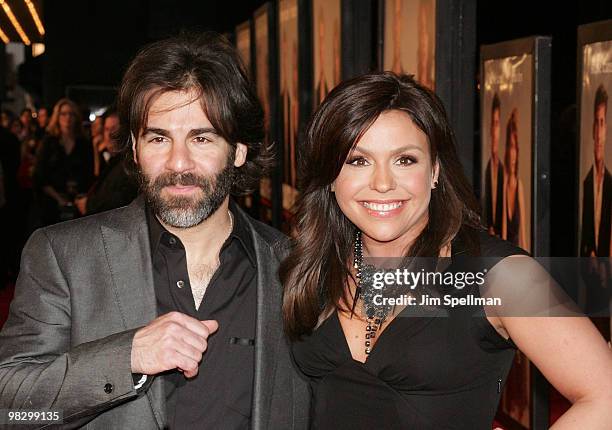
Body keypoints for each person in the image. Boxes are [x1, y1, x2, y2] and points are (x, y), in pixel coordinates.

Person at [0, 32, 309, 429]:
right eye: (159, 138)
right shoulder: (64, 256)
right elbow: (11, 410)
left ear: (239, 150)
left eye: (201, 137)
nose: (178, 163)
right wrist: (125, 356)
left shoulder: (291, 267)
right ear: (133, 147)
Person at [281, 72, 612, 428]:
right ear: (331, 177)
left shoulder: (500, 276)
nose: (382, 183)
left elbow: (604, 397)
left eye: (404, 160)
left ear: (435, 169)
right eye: (358, 160)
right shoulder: (313, 264)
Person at [33, 98, 94, 225]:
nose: (67, 118)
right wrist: (58, 197)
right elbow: (39, 174)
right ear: (57, 117)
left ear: (76, 117)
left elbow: (89, 174)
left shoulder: (84, 144)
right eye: (63, 114)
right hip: (51, 202)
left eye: (71, 114)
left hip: (77, 203)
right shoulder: (49, 142)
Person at [75, 108, 139, 215]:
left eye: (114, 129)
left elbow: (120, 200)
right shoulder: (114, 161)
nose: (109, 134)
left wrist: (88, 205)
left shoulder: (130, 164)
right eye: (106, 129)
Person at [581, 84, 611, 257]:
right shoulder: (587, 183)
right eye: (596, 123)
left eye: (602, 123)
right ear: (592, 129)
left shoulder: (609, 183)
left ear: (605, 128)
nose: (599, 133)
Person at [501, 108, 528, 251]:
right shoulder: (504, 186)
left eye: (514, 148)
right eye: (509, 147)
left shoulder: (520, 187)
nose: (512, 154)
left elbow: (523, 231)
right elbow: (504, 232)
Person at [484, 92, 503, 237]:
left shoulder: (504, 172)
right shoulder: (487, 170)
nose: (494, 130)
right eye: (492, 124)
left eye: (497, 124)